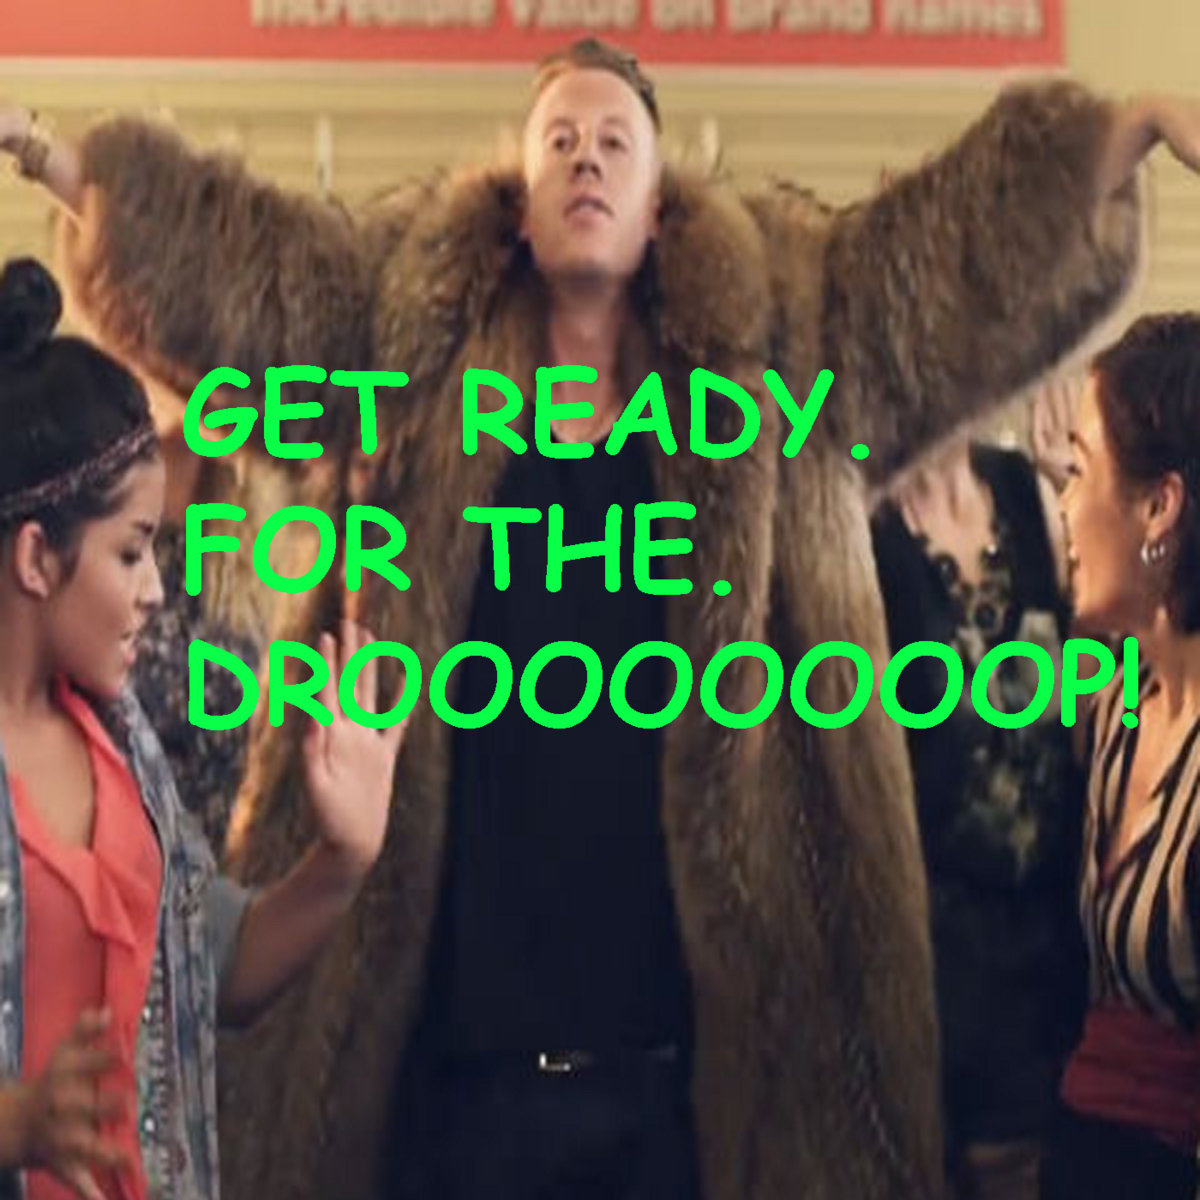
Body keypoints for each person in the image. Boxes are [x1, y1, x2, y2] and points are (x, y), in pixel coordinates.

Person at [1, 37, 1195, 1200]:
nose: (586, 158)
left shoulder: (781, 362)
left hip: (699, 1072)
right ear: (519, 208)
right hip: (459, 1060)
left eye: (615, 142)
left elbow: (939, 276)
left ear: (659, 205)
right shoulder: (405, 361)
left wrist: (1124, 131)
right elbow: (253, 283)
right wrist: (58, 161)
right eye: (560, 140)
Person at [0, 257, 405, 1200]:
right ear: (37, 557)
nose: (155, 589)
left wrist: (342, 860)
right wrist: (19, 1122)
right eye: (132, 552)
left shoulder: (121, 748)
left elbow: (222, 967)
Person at [872, 420, 1087, 1200]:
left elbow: (1094, 697)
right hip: (934, 956)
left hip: (1053, 940)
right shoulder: (859, 524)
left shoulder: (1026, 491)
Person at [1043, 313, 1200, 1200]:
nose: (1064, 506)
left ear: (1158, 507)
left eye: (1078, 471)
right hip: (1081, 1159)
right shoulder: (1114, 712)